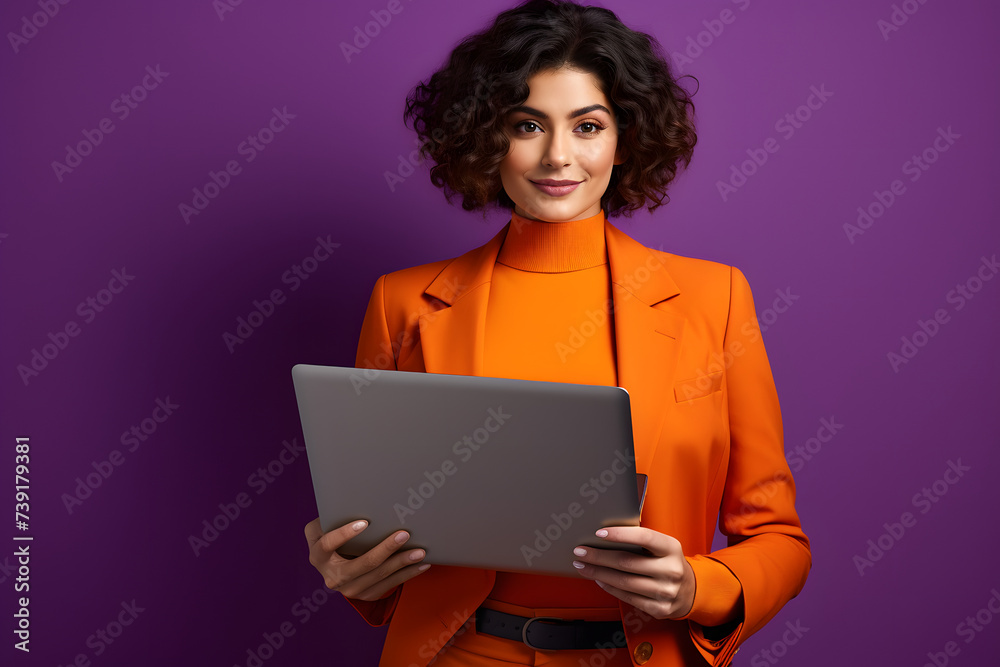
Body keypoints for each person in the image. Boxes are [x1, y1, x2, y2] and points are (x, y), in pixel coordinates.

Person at [304, 1, 810, 665]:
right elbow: (376, 548)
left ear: (625, 137)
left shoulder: (714, 299)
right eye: (526, 124)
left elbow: (779, 539)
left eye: (588, 125)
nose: (558, 156)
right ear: (487, 135)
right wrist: (348, 566)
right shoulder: (404, 302)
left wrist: (697, 585)